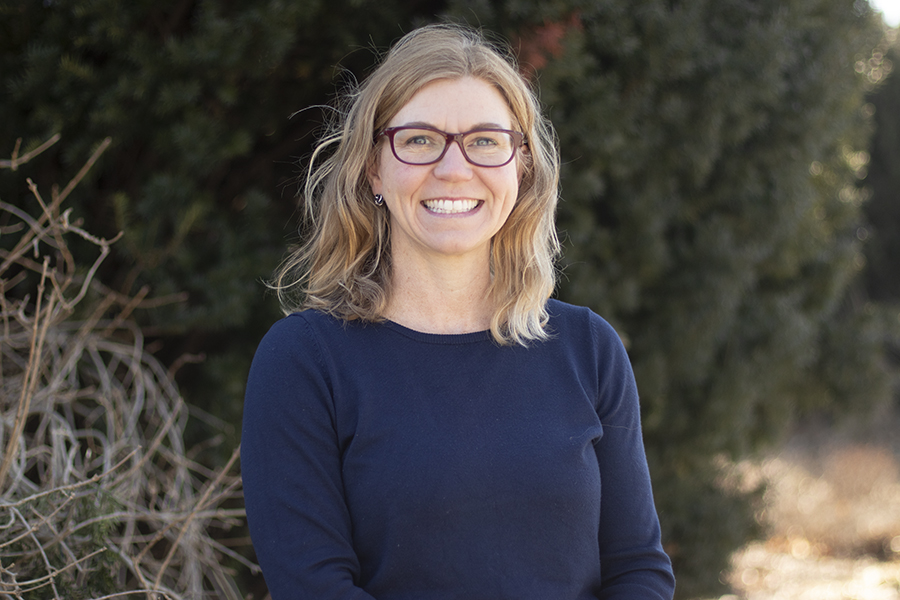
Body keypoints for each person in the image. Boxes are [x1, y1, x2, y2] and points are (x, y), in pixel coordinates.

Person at [241, 24, 676, 600]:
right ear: (374, 166)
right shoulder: (304, 360)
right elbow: (313, 586)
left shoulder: (589, 349)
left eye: (485, 141)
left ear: (520, 167)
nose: (453, 168)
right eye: (419, 140)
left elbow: (638, 569)